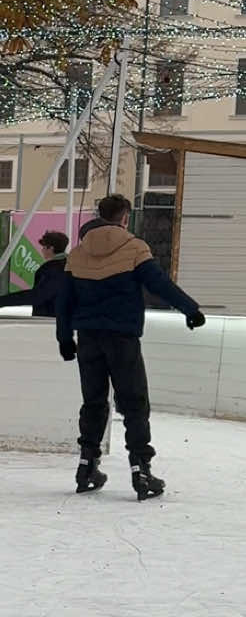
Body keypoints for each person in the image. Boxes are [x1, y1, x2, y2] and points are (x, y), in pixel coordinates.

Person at [55, 193, 205, 498]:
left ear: (100, 214)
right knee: (134, 403)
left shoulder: (78, 253)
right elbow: (159, 284)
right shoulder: (134, 248)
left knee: (94, 402)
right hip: (122, 339)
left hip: (88, 339)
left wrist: (64, 338)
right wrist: (190, 309)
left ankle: (86, 467)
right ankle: (141, 471)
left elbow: (64, 301)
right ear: (125, 217)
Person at [0, 230, 70, 316]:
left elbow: (39, 295)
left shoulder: (51, 269)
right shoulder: (72, 265)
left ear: (51, 248)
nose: (42, 250)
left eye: (44, 247)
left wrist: (2, 301)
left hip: (49, 317)